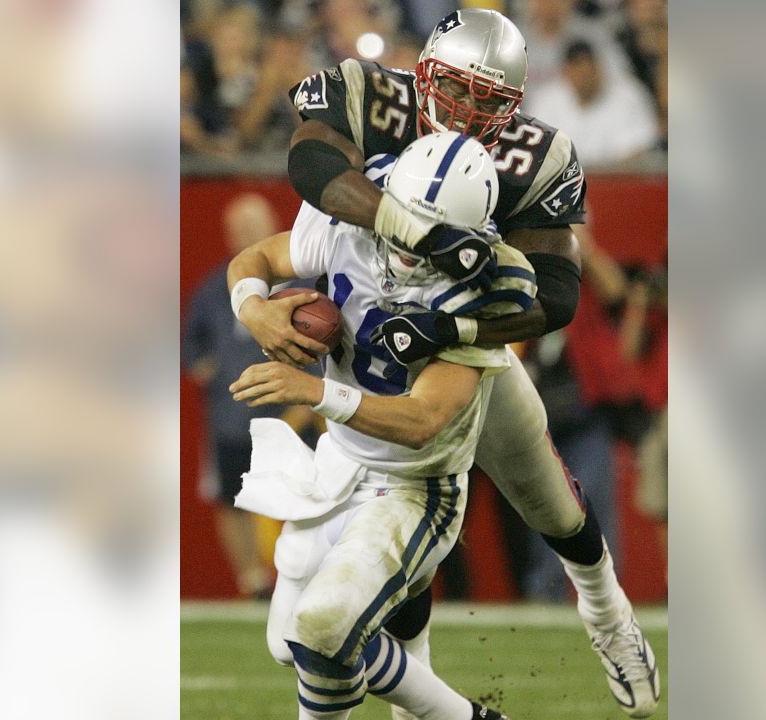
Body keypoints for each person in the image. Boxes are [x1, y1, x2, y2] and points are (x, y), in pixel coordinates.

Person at [278, 8, 660, 717]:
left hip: (462, 344)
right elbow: (309, 160)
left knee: (548, 498)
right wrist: (403, 223)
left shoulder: (535, 155)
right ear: (422, 73)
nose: (465, 110)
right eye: (456, 88)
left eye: (488, 101)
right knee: (384, 545)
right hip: (372, 327)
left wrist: (445, 325)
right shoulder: (371, 94)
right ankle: (417, 685)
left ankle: (607, 613)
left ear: (513, 107)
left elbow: (555, 293)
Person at [227, 132, 529, 720]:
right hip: (339, 462)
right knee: (289, 642)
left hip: (414, 487)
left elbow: (424, 420)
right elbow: (256, 259)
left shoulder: (476, 289)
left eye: (434, 236)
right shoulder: (349, 224)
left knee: (322, 627)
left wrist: (315, 390)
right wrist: (255, 309)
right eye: (407, 225)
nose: (413, 249)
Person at [182, 194, 318, 598]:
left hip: (294, 409)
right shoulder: (213, 286)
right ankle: (253, 580)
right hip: (233, 413)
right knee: (232, 497)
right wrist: (202, 365)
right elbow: (191, 340)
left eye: (252, 226)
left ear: (272, 225)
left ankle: (303, 574)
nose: (244, 235)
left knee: (305, 496)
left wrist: (309, 396)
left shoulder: (306, 282)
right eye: (237, 228)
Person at [525, 39, 660, 168]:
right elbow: (533, 150)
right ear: (566, 72)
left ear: (598, 68)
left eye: (587, 70)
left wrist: (595, 174)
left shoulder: (629, 95)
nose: (583, 76)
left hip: (617, 183)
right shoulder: (546, 99)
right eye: (576, 69)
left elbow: (641, 150)